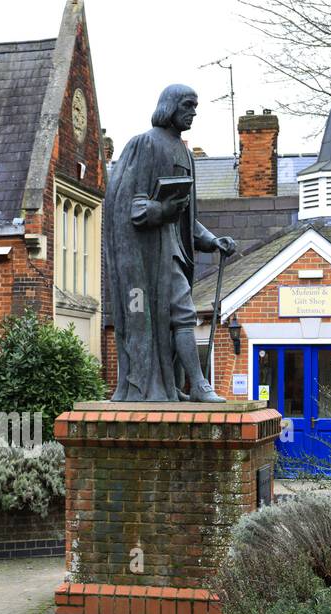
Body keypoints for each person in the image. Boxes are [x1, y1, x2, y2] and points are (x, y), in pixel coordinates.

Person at [105, 84, 237, 402]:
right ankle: (198, 385)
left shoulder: (185, 154)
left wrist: (211, 240)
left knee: (174, 318)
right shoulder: (144, 145)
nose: (193, 112)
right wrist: (162, 209)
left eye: (195, 106)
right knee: (183, 314)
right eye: (188, 105)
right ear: (170, 107)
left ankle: (169, 385)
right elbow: (130, 206)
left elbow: (186, 218)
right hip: (149, 257)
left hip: (175, 252)